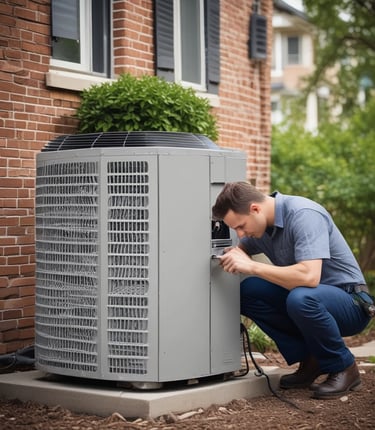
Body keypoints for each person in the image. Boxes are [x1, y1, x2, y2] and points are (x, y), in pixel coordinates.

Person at [212, 181, 372, 399]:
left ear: (255, 209)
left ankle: (344, 367)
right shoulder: (261, 227)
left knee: (301, 297)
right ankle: (312, 358)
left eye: (241, 226)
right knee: (248, 291)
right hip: (310, 298)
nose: (240, 234)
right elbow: (239, 252)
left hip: (351, 302)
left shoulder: (303, 214)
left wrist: (252, 266)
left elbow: (309, 276)